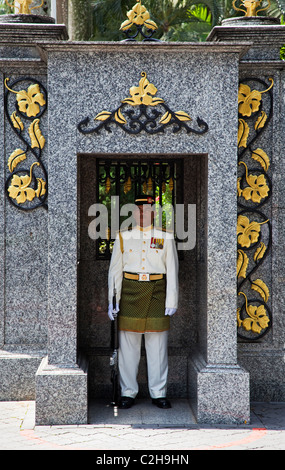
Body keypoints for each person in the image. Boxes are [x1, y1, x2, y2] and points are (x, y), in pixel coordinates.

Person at [108, 195, 179, 409]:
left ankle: (158, 393)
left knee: (157, 346)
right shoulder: (123, 236)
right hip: (130, 292)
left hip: (157, 292)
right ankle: (128, 392)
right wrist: (113, 299)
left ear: (154, 214)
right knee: (128, 347)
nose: (142, 214)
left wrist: (172, 299)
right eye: (139, 210)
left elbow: (173, 270)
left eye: (147, 210)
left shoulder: (165, 237)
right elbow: (115, 271)